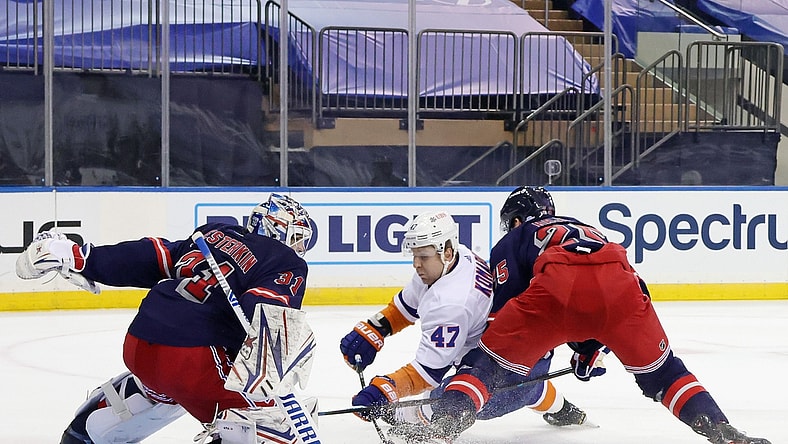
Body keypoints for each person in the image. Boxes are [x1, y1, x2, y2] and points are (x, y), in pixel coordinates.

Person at [390, 186, 771, 444]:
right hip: (622, 288)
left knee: (487, 368)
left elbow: (511, 310)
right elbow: (620, 289)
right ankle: (719, 426)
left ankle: (447, 417)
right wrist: (590, 348)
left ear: (518, 220)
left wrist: (489, 365)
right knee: (665, 373)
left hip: (557, 288)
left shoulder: (518, 237)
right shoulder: (589, 230)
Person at [15, 193, 318, 444]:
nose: (300, 249)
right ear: (280, 229)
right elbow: (268, 317)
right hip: (190, 357)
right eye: (299, 239)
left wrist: (84, 259)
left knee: (164, 394)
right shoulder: (285, 262)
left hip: (140, 344)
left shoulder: (214, 235)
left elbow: (152, 256)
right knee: (270, 424)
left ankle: (87, 433)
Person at [338, 209, 586, 429]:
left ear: (446, 250)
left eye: (423, 256)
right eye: (415, 255)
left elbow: (427, 373)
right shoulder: (457, 258)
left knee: (446, 403)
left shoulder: (451, 304)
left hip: (500, 374)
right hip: (522, 357)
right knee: (528, 385)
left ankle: (542, 396)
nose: (416, 264)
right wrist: (373, 330)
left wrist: (386, 389)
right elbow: (406, 307)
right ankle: (561, 408)